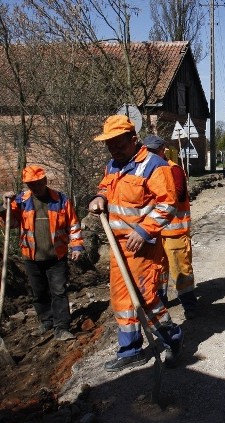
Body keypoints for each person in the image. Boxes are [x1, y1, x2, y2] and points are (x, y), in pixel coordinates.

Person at [88, 115, 184, 372]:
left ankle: (171, 339)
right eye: (109, 144)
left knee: (146, 298)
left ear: (133, 139)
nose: (113, 149)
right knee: (121, 301)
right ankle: (130, 351)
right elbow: (106, 188)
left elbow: (167, 204)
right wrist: (99, 197)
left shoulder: (155, 165)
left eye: (118, 144)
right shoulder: (113, 165)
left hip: (143, 247)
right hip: (118, 248)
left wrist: (143, 231)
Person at [0, 165, 83, 341]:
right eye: (31, 185)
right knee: (39, 292)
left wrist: (76, 246)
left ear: (45, 181)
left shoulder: (60, 199)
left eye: (38, 183)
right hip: (31, 256)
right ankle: (46, 320)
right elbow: (11, 223)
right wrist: (4, 206)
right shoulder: (21, 200)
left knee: (59, 291)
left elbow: (73, 224)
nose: (35, 187)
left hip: (56, 255)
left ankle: (62, 327)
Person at [142, 135, 197, 319]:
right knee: (159, 271)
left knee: (181, 271)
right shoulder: (146, 171)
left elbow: (178, 196)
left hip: (175, 233)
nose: (150, 154)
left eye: (153, 151)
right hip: (156, 233)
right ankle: (161, 302)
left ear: (162, 150)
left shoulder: (174, 170)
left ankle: (190, 306)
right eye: (147, 151)